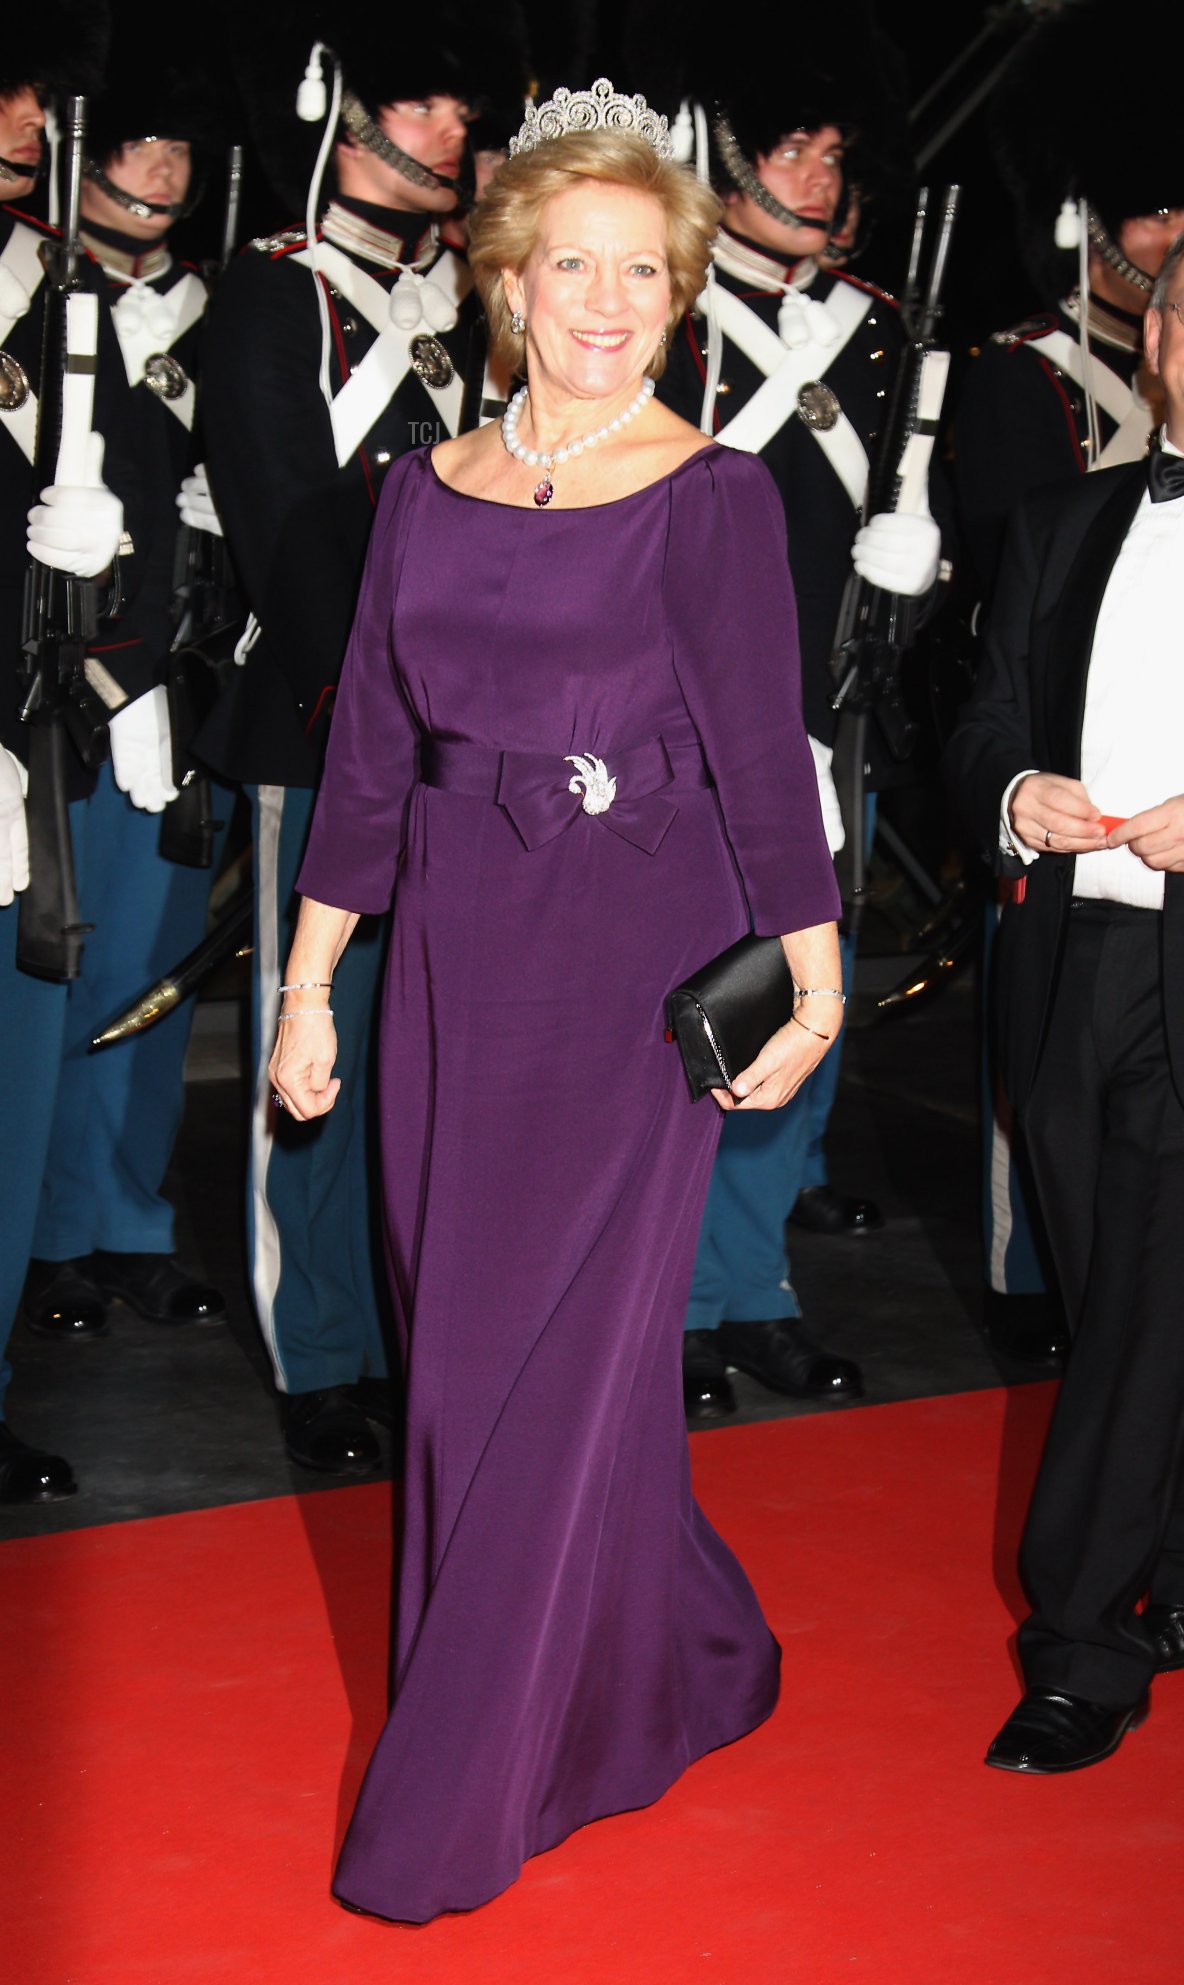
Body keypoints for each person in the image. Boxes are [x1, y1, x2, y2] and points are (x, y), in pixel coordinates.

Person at [270, 79, 842, 1921]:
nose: (605, 304)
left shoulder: (716, 497)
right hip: (451, 962)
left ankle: (460, 1791)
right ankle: (667, 1651)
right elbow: (367, 752)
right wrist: (310, 985)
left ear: (680, 297)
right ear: (507, 281)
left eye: (643, 274)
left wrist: (815, 979)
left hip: (636, 974)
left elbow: (767, 756)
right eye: (571, 266)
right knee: (470, 1373)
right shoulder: (416, 499)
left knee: (561, 1357)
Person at [197, 18, 488, 1472]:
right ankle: (314, 1350)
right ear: (343, 112)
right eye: (417, 100)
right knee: (308, 1055)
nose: (448, 126)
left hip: (457, 741)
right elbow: (286, 528)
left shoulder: (457, 295)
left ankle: (393, 1332)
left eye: (454, 103)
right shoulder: (273, 295)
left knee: (419, 1064)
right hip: (329, 730)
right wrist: (379, 702)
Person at [658, 41, 943, 1417]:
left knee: (796, 1019)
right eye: (792, 150)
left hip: (829, 717)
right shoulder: (669, 306)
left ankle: (751, 1285)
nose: (820, 179)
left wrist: (918, 562)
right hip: (692, 717)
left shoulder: (880, 325)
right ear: (726, 148)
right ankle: (668, 1304)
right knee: (690, 1015)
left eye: (836, 155)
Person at [945, 228, 1184, 1773]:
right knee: (1117, 1296)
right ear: (1155, 342)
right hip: (1071, 967)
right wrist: (1018, 792)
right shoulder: (1065, 520)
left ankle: (1084, 1637)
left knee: (1144, 1315)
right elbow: (972, 726)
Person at [953, 0, 1184, 1366]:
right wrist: (1021, 786)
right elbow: (1007, 679)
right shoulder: (1027, 397)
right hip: (1078, 905)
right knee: (1101, 1272)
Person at [22, 45, 232, 1340]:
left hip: (176, 688)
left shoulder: (215, 307)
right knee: (55, 977)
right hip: (55, 697)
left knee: (155, 979)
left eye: (179, 151)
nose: (160, 173)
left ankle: (123, 1217)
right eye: (136, 147)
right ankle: (41, 1234)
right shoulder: (28, 292)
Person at [0, 23, 162, 1501]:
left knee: (6, 1093)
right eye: (3, 96)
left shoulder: (59, 292)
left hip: (13, 744)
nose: (31, 123)